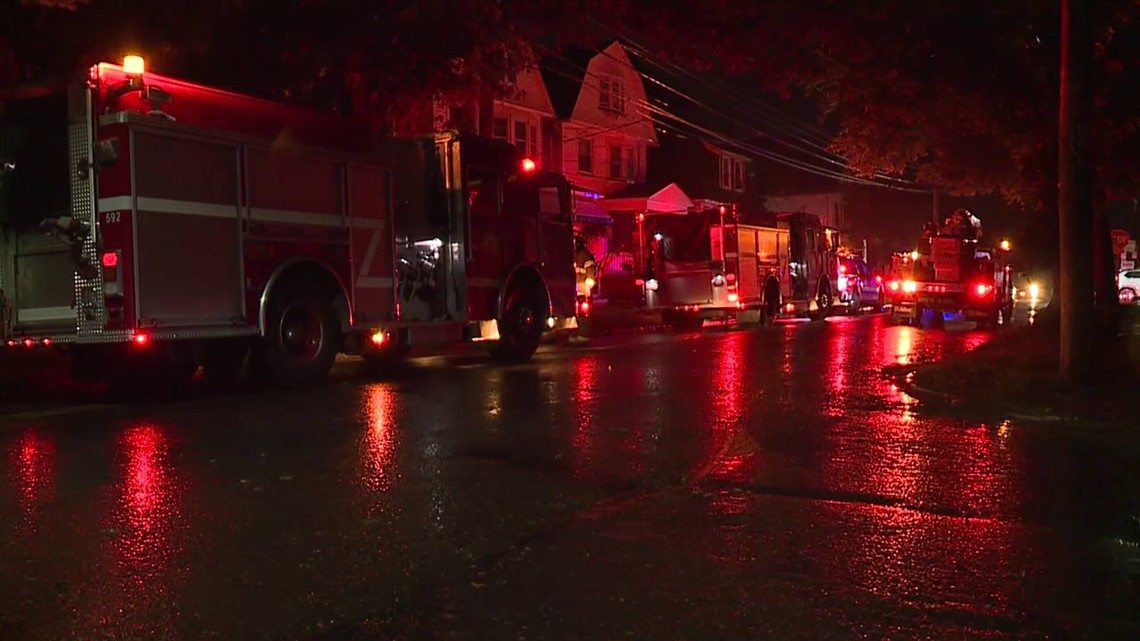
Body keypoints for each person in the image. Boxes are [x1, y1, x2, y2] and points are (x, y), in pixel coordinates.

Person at [571, 236, 597, 343]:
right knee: (578, 314)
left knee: (583, 314)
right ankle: (579, 333)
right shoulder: (575, 256)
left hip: (583, 291)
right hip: (576, 291)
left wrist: (587, 288)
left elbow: (590, 274)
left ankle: (583, 336)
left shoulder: (585, 256)